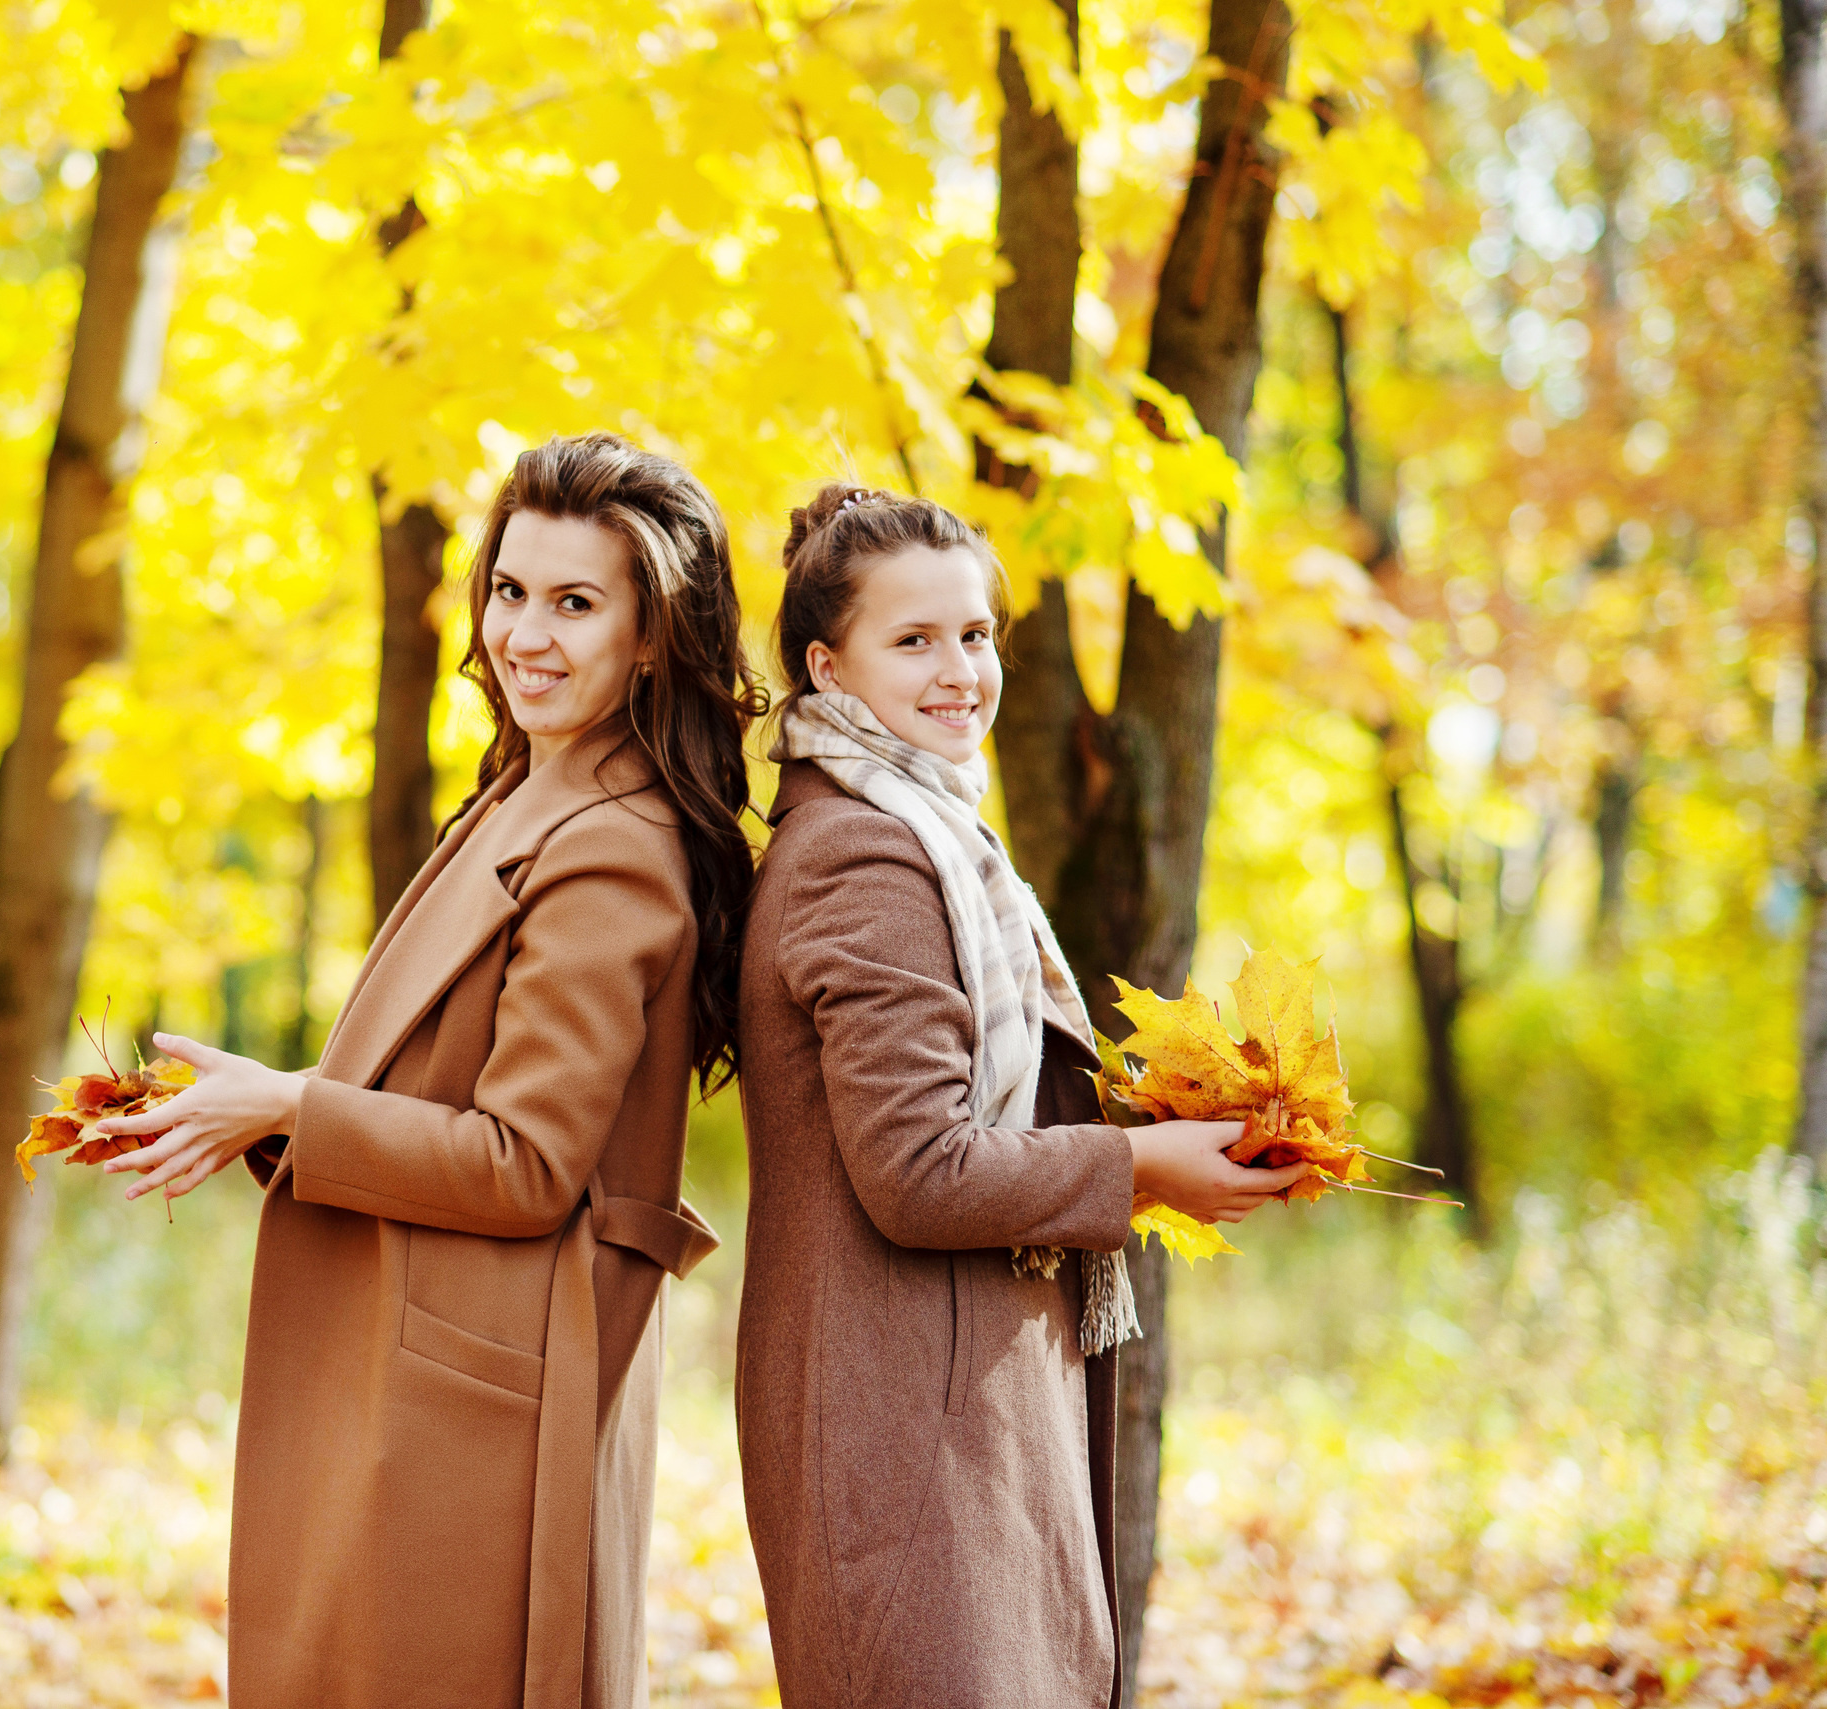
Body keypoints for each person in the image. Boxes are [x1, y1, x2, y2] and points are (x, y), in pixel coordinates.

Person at [84, 432, 767, 1709]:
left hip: (483, 1395)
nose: (527, 634)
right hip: (417, 1361)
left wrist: (292, 1103)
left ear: (653, 634)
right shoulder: (525, 790)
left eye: (576, 602)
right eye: (510, 590)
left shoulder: (611, 844)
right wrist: (261, 1108)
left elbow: (525, 1163)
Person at [733, 485, 1308, 1709]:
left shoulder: (926, 829)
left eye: (976, 634)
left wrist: (1167, 1125)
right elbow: (919, 1170)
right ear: (827, 666)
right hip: (905, 1432)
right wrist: (1145, 1170)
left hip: (950, 1408)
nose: (958, 671)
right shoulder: (862, 851)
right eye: (915, 639)